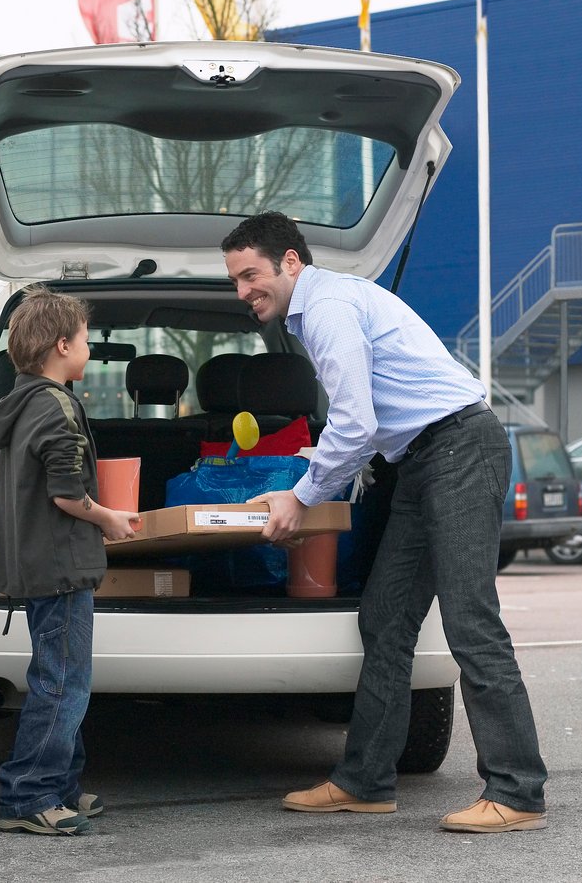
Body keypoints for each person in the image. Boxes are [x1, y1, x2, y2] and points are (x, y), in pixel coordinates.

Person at [221, 211, 548, 834]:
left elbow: (354, 422)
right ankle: (364, 782)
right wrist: (312, 464)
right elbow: (365, 424)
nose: (242, 291)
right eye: (235, 280)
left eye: (250, 275)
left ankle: (518, 790)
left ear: (291, 261)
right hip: (421, 459)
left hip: (456, 449)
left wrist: (302, 494)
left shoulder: (327, 310)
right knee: (386, 617)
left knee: (470, 618)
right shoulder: (326, 306)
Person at [0, 285, 139, 837]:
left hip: (36, 564)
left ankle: (62, 787)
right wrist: (110, 519)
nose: (89, 349)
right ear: (62, 346)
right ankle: (28, 795)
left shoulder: (20, 402)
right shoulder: (58, 405)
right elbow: (68, 495)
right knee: (62, 684)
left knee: (58, 677)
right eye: (86, 341)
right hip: (64, 568)